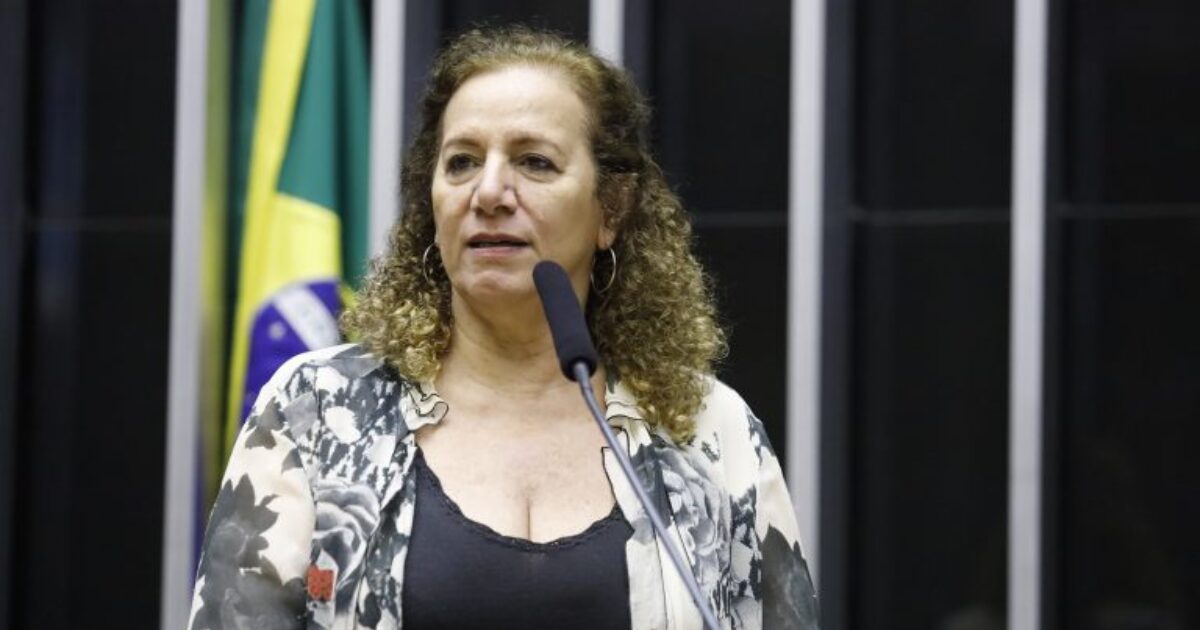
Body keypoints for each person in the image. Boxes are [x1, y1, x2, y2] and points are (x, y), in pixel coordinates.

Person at [189, 25, 819, 630]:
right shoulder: (318, 411)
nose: (488, 191)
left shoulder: (710, 431)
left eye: (535, 163)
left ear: (612, 209)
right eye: (461, 162)